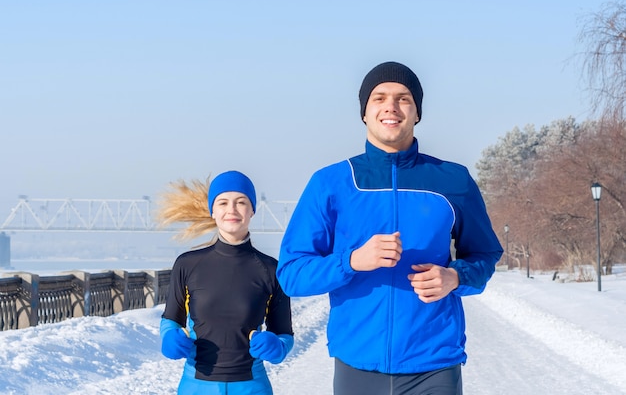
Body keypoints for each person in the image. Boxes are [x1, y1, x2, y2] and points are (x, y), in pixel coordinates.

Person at [277, 61, 503, 395]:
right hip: (358, 366)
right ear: (365, 113)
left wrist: (455, 277)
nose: (391, 107)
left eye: (403, 98)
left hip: (434, 365)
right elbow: (291, 273)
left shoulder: (454, 181)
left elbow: (485, 254)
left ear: (417, 113)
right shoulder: (331, 183)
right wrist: (351, 261)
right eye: (379, 98)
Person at [157, 170, 294, 395]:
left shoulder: (272, 270)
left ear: (252, 210)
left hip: (252, 387)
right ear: (213, 210)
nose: (231, 209)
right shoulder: (187, 264)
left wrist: (277, 347)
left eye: (241, 202)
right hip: (196, 386)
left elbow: (284, 334)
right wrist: (169, 337)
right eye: (223, 202)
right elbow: (171, 319)